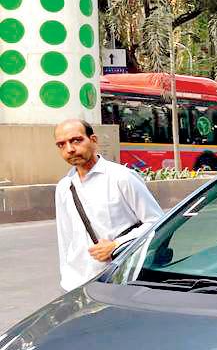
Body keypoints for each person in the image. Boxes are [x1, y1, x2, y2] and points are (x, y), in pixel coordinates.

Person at [53, 119, 163, 291]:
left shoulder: (122, 177)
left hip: (119, 279)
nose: (70, 149)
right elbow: (65, 239)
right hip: (76, 284)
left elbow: (156, 222)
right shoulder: (64, 187)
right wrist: (67, 279)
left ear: (93, 140)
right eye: (61, 144)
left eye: (76, 140)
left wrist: (116, 245)